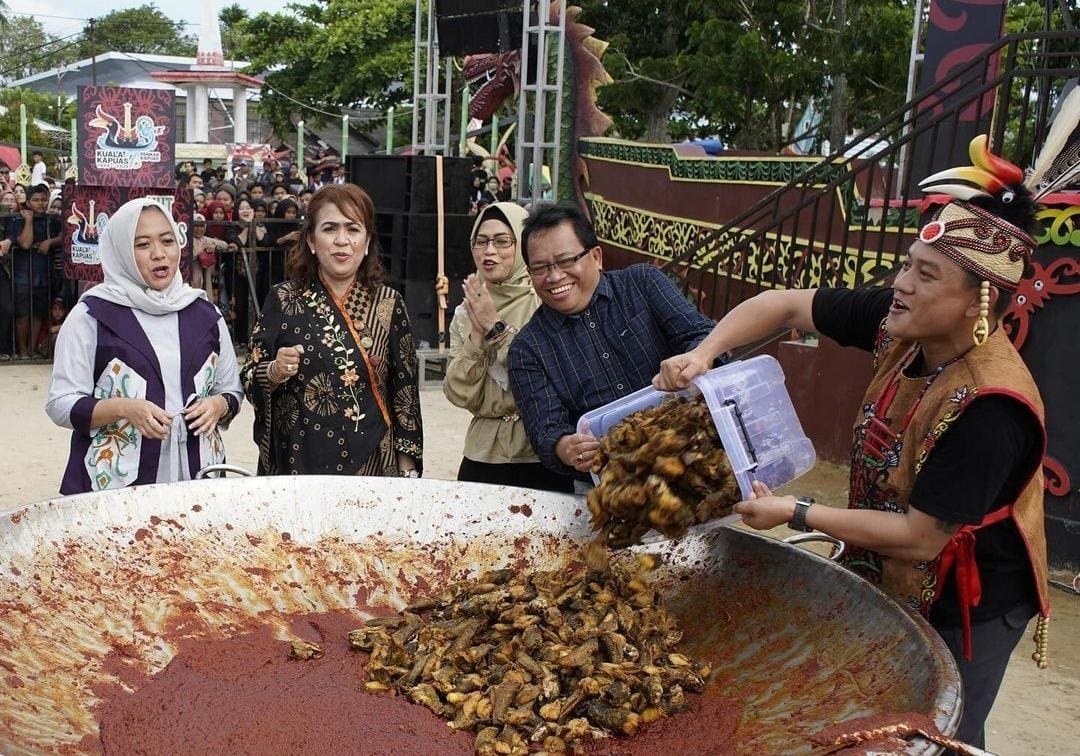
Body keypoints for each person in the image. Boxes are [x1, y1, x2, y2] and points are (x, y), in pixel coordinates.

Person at [654, 137, 1052, 749]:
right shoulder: (901, 321)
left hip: (969, 594)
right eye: (907, 264)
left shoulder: (992, 408)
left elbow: (922, 538)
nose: (902, 284)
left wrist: (796, 513)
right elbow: (785, 304)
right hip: (884, 554)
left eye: (926, 274)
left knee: (940, 726)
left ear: (980, 300)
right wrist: (705, 353)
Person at [507, 203, 716, 487]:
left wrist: (693, 359)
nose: (555, 277)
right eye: (541, 268)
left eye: (566, 261)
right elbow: (545, 430)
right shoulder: (527, 349)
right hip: (613, 483)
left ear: (596, 257)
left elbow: (702, 335)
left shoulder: (642, 284)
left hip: (694, 456)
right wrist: (565, 447)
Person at [45, 198, 244, 494]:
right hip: (114, 488)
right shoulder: (92, 316)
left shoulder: (205, 314)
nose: (159, 254)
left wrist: (218, 405)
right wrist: (124, 408)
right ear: (121, 251)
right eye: (142, 245)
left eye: (167, 240)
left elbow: (231, 390)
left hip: (199, 482)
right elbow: (61, 404)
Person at [241, 183, 423, 477]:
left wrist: (408, 472)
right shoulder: (283, 299)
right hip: (297, 464)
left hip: (373, 466)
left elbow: (405, 394)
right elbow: (249, 377)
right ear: (311, 240)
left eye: (353, 229)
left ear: (366, 242)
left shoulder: (389, 304)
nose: (342, 240)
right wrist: (274, 371)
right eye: (329, 229)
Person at [444, 202, 573, 493]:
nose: (490, 252)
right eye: (481, 241)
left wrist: (496, 326)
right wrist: (477, 337)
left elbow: (550, 372)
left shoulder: (546, 302)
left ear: (523, 245)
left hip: (542, 451)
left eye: (502, 242)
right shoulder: (467, 311)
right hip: (482, 453)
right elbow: (458, 392)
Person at [9, 184, 61, 359]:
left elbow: (64, 236)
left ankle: (32, 349)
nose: (41, 204)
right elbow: (24, 243)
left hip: (43, 274)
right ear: (28, 201)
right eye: (36, 200)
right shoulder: (18, 219)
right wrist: (29, 220)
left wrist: (50, 242)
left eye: (44, 200)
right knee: (22, 313)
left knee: (38, 313)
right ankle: (23, 351)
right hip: (23, 274)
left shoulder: (52, 220)